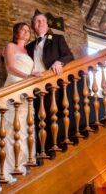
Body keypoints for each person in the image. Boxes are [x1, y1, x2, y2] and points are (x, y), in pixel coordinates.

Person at [0, 23, 42, 187]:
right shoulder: (10, 46)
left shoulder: (28, 52)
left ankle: (20, 173)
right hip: (15, 86)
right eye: (23, 29)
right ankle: (3, 175)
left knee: (25, 129)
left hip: (27, 92)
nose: (26, 32)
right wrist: (28, 76)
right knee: (9, 130)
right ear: (16, 32)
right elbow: (10, 67)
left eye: (28, 30)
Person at [26, 11, 74, 153]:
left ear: (47, 25)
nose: (40, 23)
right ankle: (39, 153)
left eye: (42, 21)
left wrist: (59, 62)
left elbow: (69, 56)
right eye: (36, 21)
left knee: (50, 119)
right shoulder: (28, 47)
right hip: (33, 88)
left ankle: (51, 152)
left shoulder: (58, 38)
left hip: (51, 85)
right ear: (33, 26)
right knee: (35, 122)